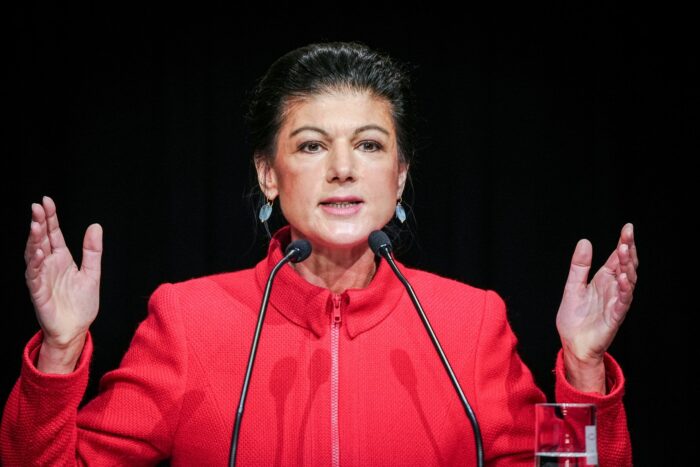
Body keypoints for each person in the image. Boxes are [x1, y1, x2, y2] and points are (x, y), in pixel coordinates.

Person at [1, 41, 636, 466]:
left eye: (369, 145)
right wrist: (59, 351)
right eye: (310, 145)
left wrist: (583, 371)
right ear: (268, 174)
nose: (341, 169)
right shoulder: (188, 320)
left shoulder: (471, 323)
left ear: (400, 175)